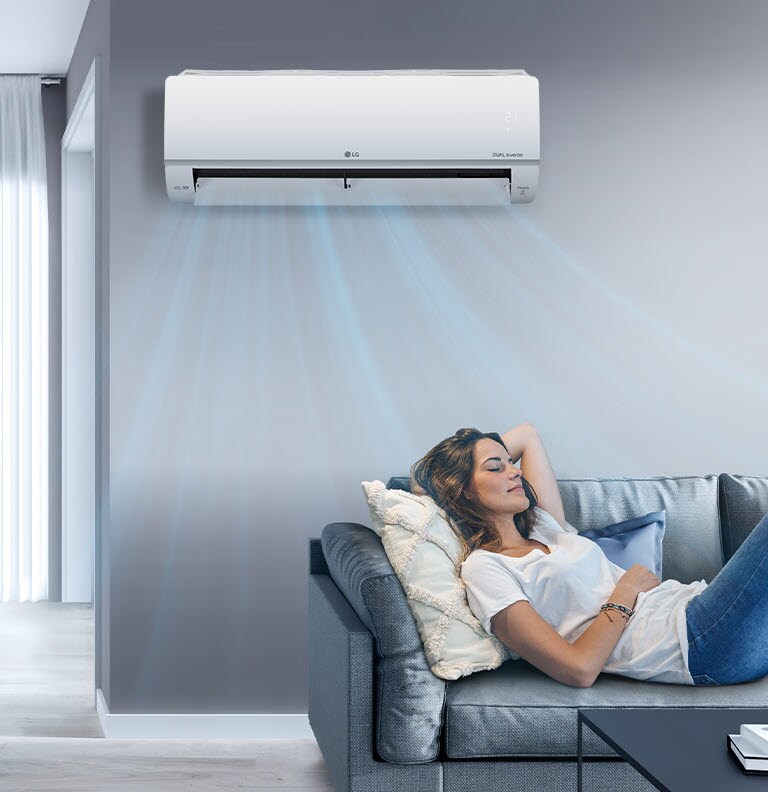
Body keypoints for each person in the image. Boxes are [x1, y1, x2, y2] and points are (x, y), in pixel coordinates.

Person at [409, 425, 768, 688]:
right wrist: (625, 591)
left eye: (510, 462)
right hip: (695, 641)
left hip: (703, 609)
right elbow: (578, 669)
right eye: (495, 467)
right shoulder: (486, 568)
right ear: (463, 490)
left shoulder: (544, 527)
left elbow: (528, 435)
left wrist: (452, 469)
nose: (514, 470)